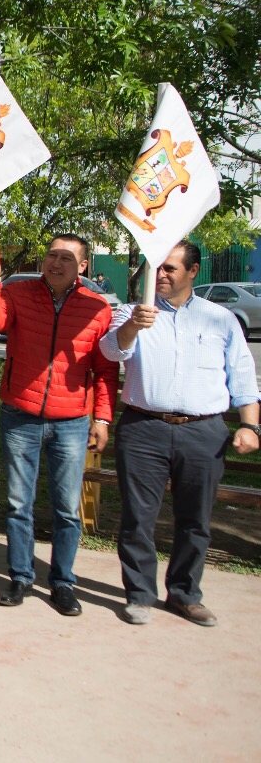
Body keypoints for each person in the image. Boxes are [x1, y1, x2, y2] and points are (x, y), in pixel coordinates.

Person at [100, 241, 259, 626]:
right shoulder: (130, 313)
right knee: (138, 517)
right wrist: (134, 327)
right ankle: (139, 594)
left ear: (193, 271)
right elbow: (109, 352)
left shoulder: (221, 319)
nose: (161, 275)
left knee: (196, 520)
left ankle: (185, 594)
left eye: (170, 268)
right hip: (144, 429)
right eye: (157, 268)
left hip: (203, 432)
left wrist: (251, 425)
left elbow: (242, 376)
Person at [0, 234, 119, 616]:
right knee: (18, 504)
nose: (56, 263)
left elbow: (105, 369)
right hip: (21, 415)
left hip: (72, 421)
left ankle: (62, 582)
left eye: (66, 258)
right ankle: (21, 576)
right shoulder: (20, 292)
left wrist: (102, 417)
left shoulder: (97, 308)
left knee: (66, 509)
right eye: (52, 255)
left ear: (83, 266)